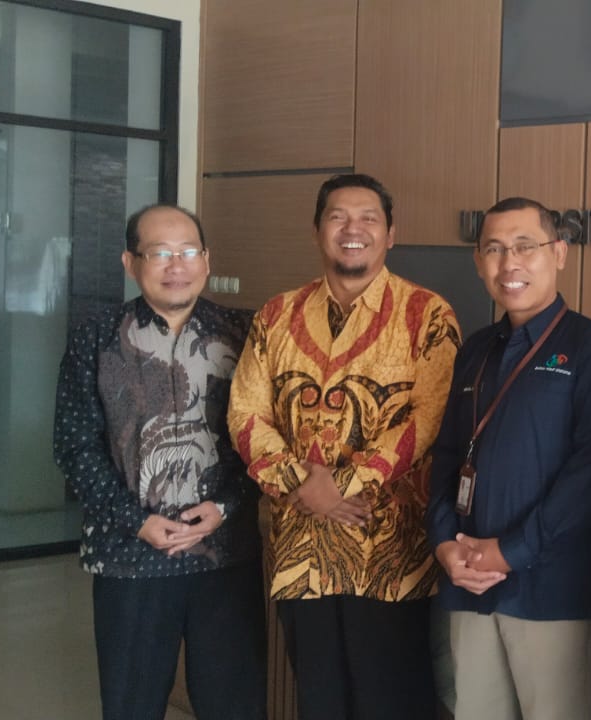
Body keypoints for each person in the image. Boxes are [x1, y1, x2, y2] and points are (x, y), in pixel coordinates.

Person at [228, 174, 460, 719]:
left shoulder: (427, 314)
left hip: (390, 555)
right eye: (338, 217)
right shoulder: (276, 315)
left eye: (368, 218)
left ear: (390, 234)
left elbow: (428, 419)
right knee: (320, 699)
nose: (353, 229)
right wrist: (302, 484)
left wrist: (343, 485)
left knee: (392, 702)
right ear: (317, 231)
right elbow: (245, 413)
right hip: (300, 549)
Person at [54, 203, 266, 720]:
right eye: (159, 253)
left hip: (224, 556)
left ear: (206, 260)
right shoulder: (96, 336)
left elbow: (264, 439)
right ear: (130, 262)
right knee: (132, 705)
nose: (177, 265)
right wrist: (136, 520)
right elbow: (75, 445)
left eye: (188, 251)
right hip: (129, 560)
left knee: (235, 705)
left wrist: (225, 505)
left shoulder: (245, 334)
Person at [426, 196, 591, 720]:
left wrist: (512, 551)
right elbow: (447, 455)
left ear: (558, 253)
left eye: (524, 246)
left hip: (552, 593)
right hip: (469, 585)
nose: (508, 263)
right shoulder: (475, 350)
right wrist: (444, 542)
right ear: (479, 262)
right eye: (494, 249)